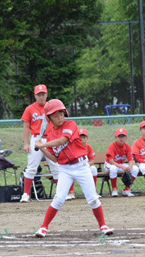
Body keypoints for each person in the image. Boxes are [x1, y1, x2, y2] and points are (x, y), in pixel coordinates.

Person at [33, 99, 113, 237]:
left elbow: (62, 140)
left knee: (93, 198)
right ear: (49, 118)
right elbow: (55, 159)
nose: (60, 117)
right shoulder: (51, 135)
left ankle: (103, 226)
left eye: (61, 114)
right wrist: (42, 149)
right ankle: (43, 227)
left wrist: (43, 145)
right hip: (65, 169)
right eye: (56, 115)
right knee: (58, 198)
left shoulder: (71, 124)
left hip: (81, 166)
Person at [20, 84, 59, 203]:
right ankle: (26, 194)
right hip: (36, 139)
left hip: (51, 139)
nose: (41, 97)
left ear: (47, 95)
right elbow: (26, 127)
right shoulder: (30, 109)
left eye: (43, 94)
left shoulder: (52, 107)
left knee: (56, 167)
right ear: (35, 95)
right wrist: (26, 143)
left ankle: (61, 194)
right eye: (39, 95)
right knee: (31, 168)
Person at [105, 128, 139, 197]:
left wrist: (129, 167)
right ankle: (114, 189)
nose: (121, 138)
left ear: (126, 138)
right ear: (115, 137)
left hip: (120, 165)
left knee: (135, 168)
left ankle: (127, 189)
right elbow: (111, 161)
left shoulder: (127, 147)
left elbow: (130, 159)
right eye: (119, 136)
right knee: (113, 168)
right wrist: (123, 167)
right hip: (109, 164)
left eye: (123, 136)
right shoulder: (112, 146)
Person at [66, 128, 98, 199]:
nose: (82, 139)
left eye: (84, 137)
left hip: (85, 166)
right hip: (75, 166)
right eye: (80, 137)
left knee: (93, 169)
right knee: (71, 170)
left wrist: (87, 164)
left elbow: (92, 160)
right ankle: (71, 192)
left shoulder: (88, 147)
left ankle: (93, 191)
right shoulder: (73, 147)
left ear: (87, 138)